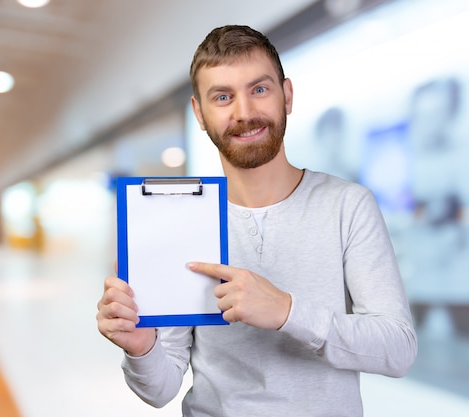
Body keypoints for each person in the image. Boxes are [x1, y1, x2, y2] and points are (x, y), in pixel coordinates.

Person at [96, 25, 417, 416]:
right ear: (199, 113)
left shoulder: (347, 205)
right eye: (223, 97)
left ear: (287, 95)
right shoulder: (181, 219)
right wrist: (142, 345)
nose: (244, 113)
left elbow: (398, 350)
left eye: (259, 89)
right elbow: (161, 390)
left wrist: (286, 311)